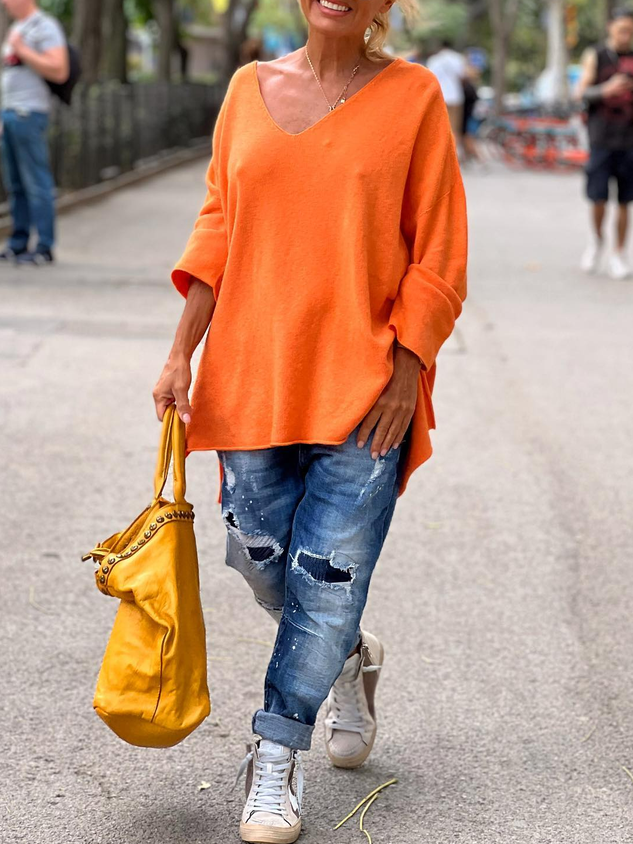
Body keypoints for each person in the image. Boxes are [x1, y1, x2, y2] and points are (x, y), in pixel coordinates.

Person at [153, 0, 468, 838]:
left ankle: (274, 756)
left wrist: (407, 371)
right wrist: (181, 351)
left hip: (366, 384)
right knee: (264, 562)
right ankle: (348, 655)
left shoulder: (413, 97)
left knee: (324, 578)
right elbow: (219, 225)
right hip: (250, 373)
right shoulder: (246, 89)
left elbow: (439, 250)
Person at [0, 0, 67, 265]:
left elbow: (59, 70)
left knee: (36, 183)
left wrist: (22, 50)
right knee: (15, 184)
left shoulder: (45, 26)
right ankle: (18, 243)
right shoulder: (18, 27)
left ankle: (44, 246)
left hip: (29, 114)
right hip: (10, 114)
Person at [577, 7, 633, 280]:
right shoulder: (596, 55)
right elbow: (580, 92)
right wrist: (606, 89)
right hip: (601, 138)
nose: (626, 35)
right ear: (611, 27)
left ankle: (618, 253)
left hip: (629, 140)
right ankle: (597, 240)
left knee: (624, 201)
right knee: (598, 198)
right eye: (622, 29)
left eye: (630, 31)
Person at [427, 39, 467, 145]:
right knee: (454, 126)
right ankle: (455, 149)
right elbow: (462, 76)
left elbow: (430, 78)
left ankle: (441, 148)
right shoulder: (457, 58)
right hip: (455, 96)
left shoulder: (434, 59)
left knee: (440, 126)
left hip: (439, 96)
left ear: (440, 47)